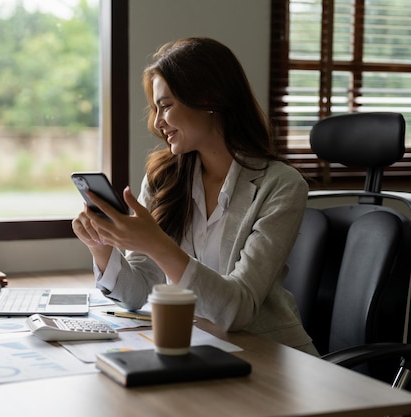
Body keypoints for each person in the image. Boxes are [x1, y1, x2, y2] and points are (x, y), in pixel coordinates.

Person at [71, 37, 318, 355]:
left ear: (209, 98)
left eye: (166, 106)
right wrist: (101, 248)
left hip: (268, 353)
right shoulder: (165, 180)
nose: (158, 122)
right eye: (156, 108)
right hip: (198, 345)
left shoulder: (281, 186)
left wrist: (156, 244)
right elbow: (137, 293)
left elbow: (237, 310)